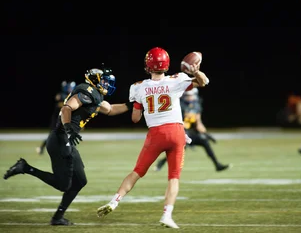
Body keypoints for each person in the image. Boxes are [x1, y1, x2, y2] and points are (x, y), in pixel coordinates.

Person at [3, 64, 132, 226]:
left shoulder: (96, 96)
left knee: (80, 181)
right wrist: (69, 128)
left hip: (66, 140)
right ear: (95, 80)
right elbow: (66, 108)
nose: (107, 85)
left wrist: (132, 104)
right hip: (60, 139)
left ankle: (58, 217)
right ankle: (25, 167)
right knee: (63, 184)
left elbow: (111, 109)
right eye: (104, 82)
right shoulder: (87, 90)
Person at [96, 47, 210, 229]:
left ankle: (114, 202)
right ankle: (167, 215)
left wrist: (141, 106)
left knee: (137, 172)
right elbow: (203, 82)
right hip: (176, 133)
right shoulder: (177, 80)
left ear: (147, 66)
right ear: (166, 64)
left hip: (155, 134)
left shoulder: (138, 86)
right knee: (173, 177)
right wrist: (196, 72)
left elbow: (135, 118)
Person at [154, 87, 231, 172]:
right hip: (179, 131)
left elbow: (199, 124)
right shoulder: (179, 106)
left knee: (205, 141)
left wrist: (208, 135)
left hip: (189, 133)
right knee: (182, 147)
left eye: (192, 95)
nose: (190, 97)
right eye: (188, 95)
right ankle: (163, 163)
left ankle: (217, 165)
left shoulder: (196, 106)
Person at [36, 80, 76, 155]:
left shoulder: (69, 96)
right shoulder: (62, 96)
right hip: (56, 120)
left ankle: (67, 151)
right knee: (53, 136)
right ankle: (42, 147)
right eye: (69, 88)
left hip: (63, 120)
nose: (70, 89)